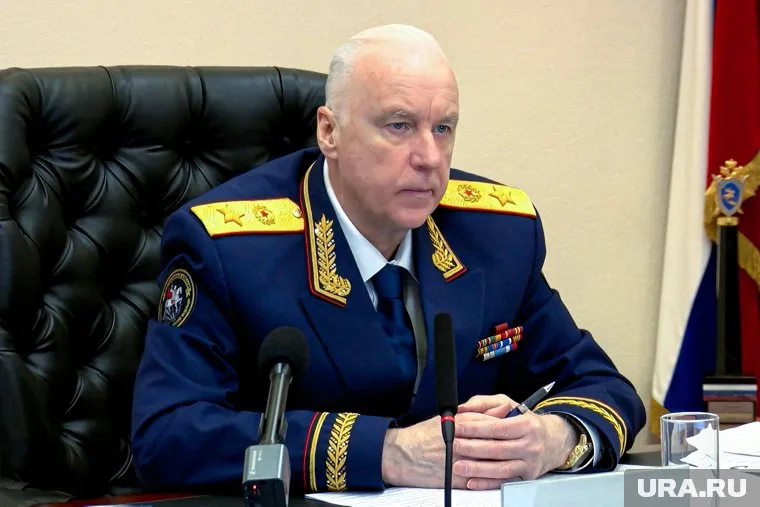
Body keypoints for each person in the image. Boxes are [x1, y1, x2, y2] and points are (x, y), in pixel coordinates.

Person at [130, 24, 646, 494]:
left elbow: (605, 388)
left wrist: (551, 438)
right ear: (329, 132)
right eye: (399, 126)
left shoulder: (498, 232)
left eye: (443, 129)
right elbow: (167, 434)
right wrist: (388, 452)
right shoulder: (228, 245)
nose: (429, 158)